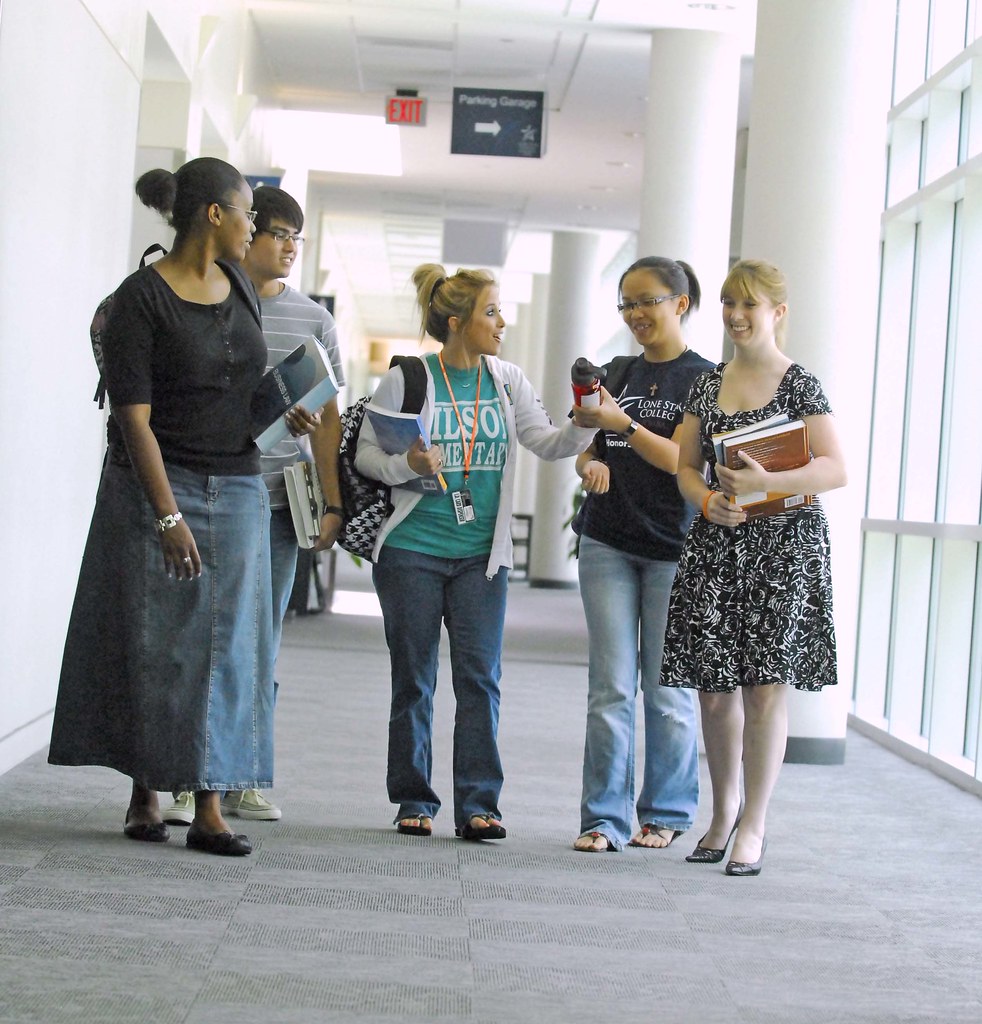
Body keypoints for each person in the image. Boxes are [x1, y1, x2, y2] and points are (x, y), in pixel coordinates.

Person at [48, 157, 288, 857]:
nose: (256, 228)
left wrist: (283, 411)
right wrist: (166, 516)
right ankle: (144, 790)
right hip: (158, 484)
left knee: (229, 645)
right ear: (214, 214)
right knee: (157, 643)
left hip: (239, 481)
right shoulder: (139, 301)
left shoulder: (240, 283)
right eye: (249, 213)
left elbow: (242, 385)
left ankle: (209, 805)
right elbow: (133, 418)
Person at [355, 263, 621, 841]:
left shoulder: (505, 381)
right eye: (492, 312)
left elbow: (548, 443)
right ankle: (413, 800)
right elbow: (366, 457)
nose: (503, 322)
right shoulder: (407, 379)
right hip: (412, 550)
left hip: (483, 557)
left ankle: (479, 804)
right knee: (415, 678)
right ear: (457, 321)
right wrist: (409, 465)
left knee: (480, 680)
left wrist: (582, 422)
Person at [161, 185, 346, 827]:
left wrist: (333, 500)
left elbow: (329, 418)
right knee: (200, 635)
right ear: (244, 232)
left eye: (299, 237)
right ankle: (190, 776)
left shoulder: (314, 320)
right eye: (278, 234)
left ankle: (244, 774)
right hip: (206, 490)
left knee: (260, 642)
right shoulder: (209, 301)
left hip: (277, 500)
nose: (290, 247)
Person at [660, 258, 847, 876]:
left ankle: (755, 825)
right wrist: (705, 499)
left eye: (749, 306)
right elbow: (686, 467)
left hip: (784, 549)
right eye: (728, 305)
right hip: (719, 544)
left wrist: (772, 479)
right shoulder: (706, 384)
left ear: (777, 313)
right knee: (714, 694)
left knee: (766, 689)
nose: (736, 317)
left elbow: (833, 469)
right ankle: (722, 812)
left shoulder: (801, 384)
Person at [572, 258, 714, 853]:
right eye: (626, 305)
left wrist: (623, 426)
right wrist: (592, 463)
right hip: (606, 540)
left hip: (673, 549)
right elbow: (586, 448)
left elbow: (686, 463)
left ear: (680, 303)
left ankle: (667, 811)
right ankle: (604, 819)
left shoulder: (707, 379)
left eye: (646, 302)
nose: (635, 315)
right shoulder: (616, 371)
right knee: (609, 688)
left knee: (667, 690)